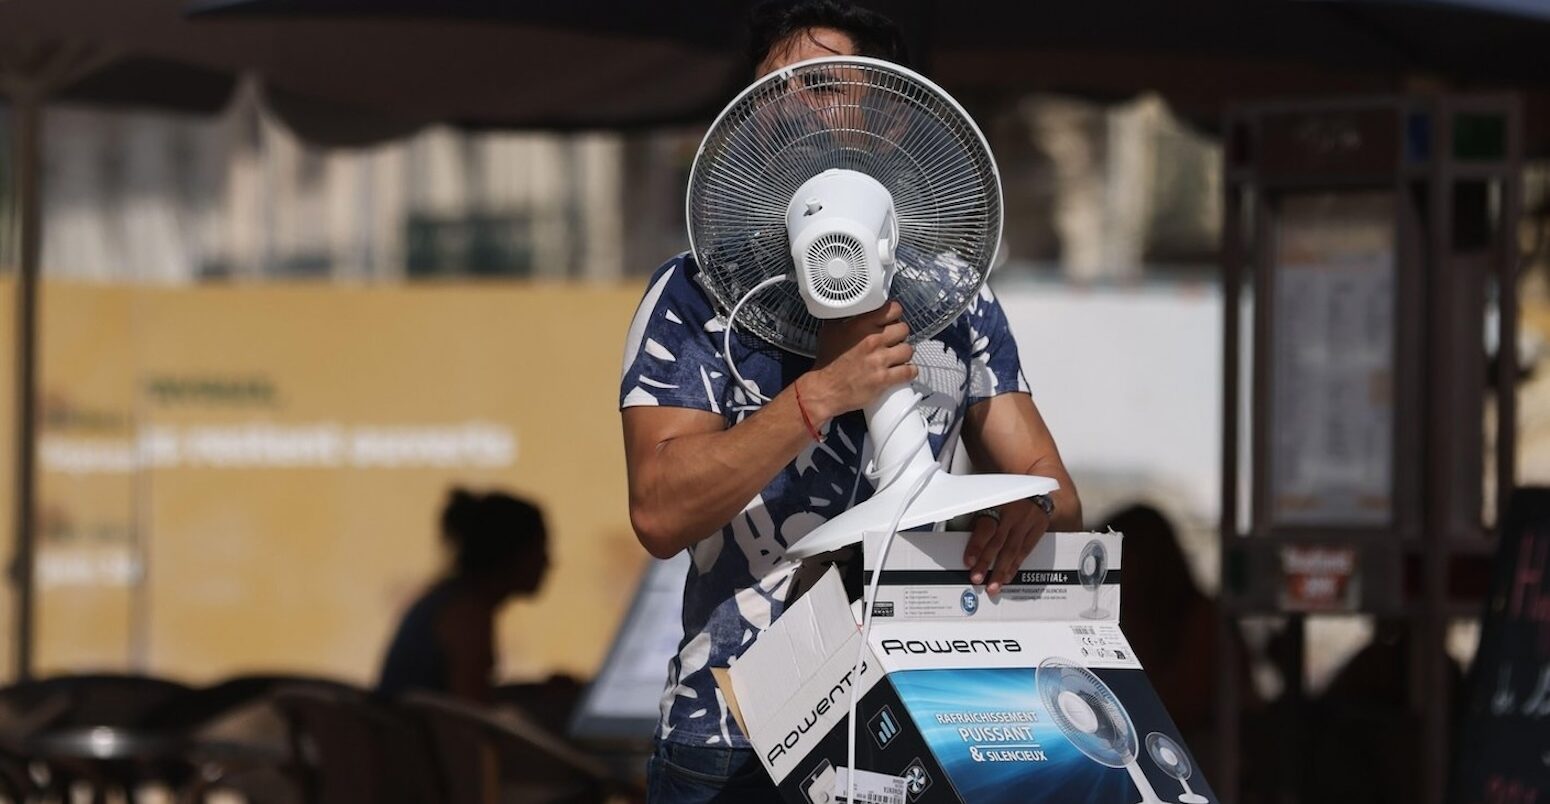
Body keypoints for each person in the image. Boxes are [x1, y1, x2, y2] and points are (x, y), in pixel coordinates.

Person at [620, 2, 1081, 800]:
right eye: (774, 89)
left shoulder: (955, 295)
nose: (795, 104)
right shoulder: (694, 295)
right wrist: (819, 396)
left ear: (894, 114)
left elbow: (1052, 485)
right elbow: (660, 512)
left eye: (824, 83)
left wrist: (1026, 516)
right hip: (734, 736)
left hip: (916, 725)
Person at [377, 488, 550, 703]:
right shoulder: (467, 615)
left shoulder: (452, 600)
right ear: (513, 554)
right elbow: (471, 714)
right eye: (540, 549)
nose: (548, 562)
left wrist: (537, 692)